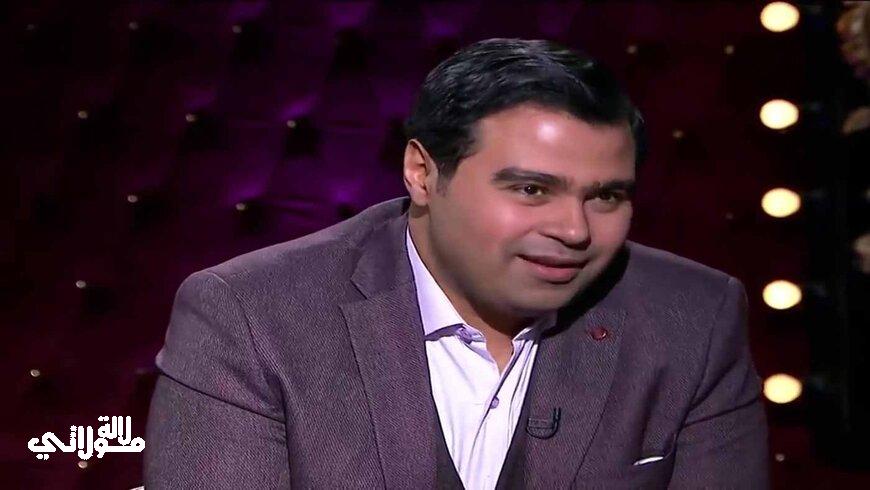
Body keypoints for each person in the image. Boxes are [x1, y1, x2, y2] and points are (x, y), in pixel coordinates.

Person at [144, 38, 769, 489]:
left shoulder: (695, 317)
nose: (574, 230)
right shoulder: (251, 316)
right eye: (531, 189)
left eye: (606, 197)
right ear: (422, 173)